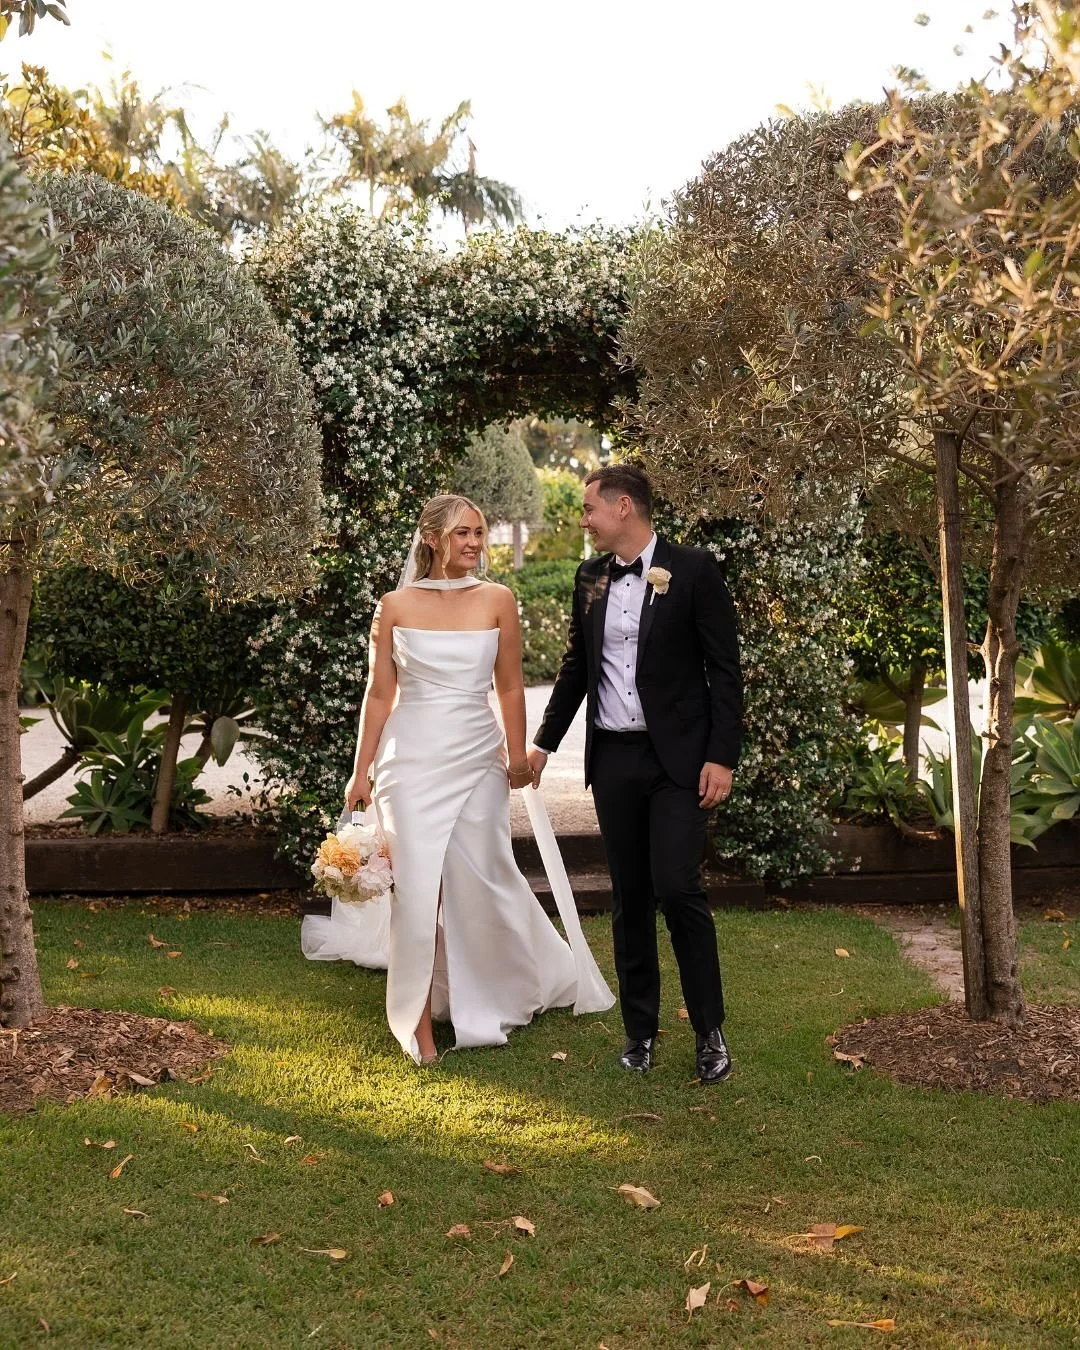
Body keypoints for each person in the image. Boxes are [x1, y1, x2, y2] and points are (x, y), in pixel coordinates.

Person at [301, 493, 613, 1064]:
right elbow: (379, 693)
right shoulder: (393, 606)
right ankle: (414, 1021)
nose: (474, 543)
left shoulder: (499, 599)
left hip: (477, 758)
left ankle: (500, 986)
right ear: (432, 540)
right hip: (410, 759)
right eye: (463, 533)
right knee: (416, 889)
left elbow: (511, 687)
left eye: (479, 533)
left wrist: (517, 754)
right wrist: (359, 770)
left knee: (486, 876)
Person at [528, 465, 742, 1083]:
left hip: (678, 761)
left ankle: (709, 1032)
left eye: (590, 508)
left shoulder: (695, 570)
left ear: (624, 507)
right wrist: (543, 744)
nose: (584, 519)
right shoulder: (589, 575)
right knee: (630, 899)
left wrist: (720, 756)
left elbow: (724, 673)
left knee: (678, 888)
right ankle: (640, 1032)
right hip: (614, 760)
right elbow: (576, 668)